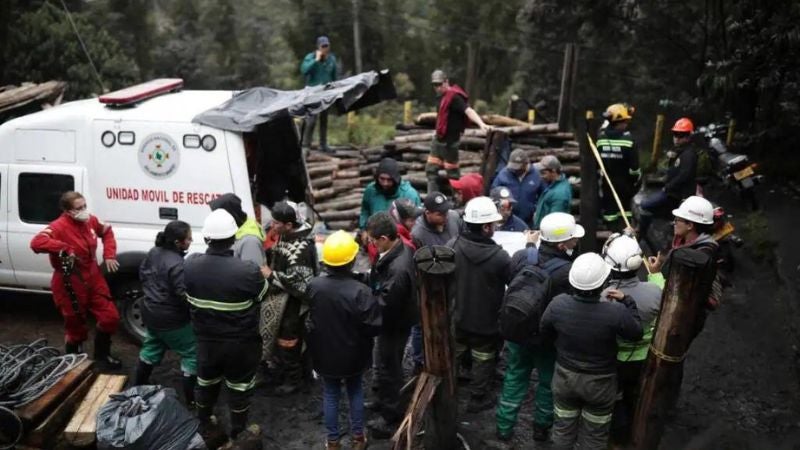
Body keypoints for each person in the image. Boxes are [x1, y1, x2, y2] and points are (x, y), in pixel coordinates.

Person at [496, 212, 584, 443]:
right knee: (547, 382)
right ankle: (541, 428)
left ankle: (504, 427)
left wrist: (529, 246)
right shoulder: (568, 272)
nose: (576, 242)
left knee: (514, 377)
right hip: (546, 339)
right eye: (573, 239)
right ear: (562, 245)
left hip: (517, 331)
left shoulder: (521, 256)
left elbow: (513, 283)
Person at [540, 253, 643, 450]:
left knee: (562, 429)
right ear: (603, 282)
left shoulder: (558, 304)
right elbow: (636, 333)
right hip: (600, 384)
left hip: (565, 378)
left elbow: (544, 332)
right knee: (595, 436)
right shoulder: (615, 312)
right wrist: (627, 300)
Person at [185, 209, 269, 444]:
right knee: (240, 388)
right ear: (234, 238)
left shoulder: (190, 265)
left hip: (206, 342)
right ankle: (238, 432)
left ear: (206, 238)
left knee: (206, 382)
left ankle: (205, 424)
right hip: (240, 345)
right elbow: (262, 295)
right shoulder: (248, 271)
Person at [30, 191, 122, 369]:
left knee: (110, 317)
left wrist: (109, 254)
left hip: (93, 276)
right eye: (79, 208)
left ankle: (102, 355)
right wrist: (64, 248)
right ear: (67, 211)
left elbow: (107, 232)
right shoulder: (58, 227)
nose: (84, 210)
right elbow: (36, 243)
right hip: (69, 279)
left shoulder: (90, 221)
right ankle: (74, 360)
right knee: (75, 323)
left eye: (84, 206)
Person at [307, 230, 381, 450]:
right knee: (355, 391)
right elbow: (374, 326)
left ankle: (333, 442)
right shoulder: (361, 291)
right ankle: (358, 438)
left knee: (330, 394)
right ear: (352, 261)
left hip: (325, 353)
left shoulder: (314, 286)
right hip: (354, 355)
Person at [448, 196, 511, 413]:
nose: (494, 227)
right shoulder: (500, 257)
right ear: (485, 227)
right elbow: (512, 282)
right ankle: (477, 398)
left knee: (455, 353)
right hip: (486, 324)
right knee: (484, 358)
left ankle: (448, 391)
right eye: (493, 224)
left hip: (458, 318)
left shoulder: (452, 246)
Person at [600, 233, 662, 446]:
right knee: (636, 397)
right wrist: (655, 274)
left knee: (616, 400)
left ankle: (618, 439)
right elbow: (664, 292)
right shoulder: (655, 291)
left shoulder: (604, 297)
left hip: (614, 361)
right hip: (645, 359)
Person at [364, 212, 419, 439]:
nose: (370, 244)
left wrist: (364, 309)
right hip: (393, 320)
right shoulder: (395, 251)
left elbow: (386, 305)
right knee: (383, 362)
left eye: (372, 240)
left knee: (390, 367)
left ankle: (391, 415)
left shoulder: (398, 269)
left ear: (384, 238)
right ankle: (381, 399)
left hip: (394, 324)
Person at [134, 221, 197, 406]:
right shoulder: (177, 264)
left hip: (150, 313)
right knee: (193, 353)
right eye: (188, 238)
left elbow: (143, 275)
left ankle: (137, 387)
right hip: (172, 319)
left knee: (152, 347)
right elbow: (183, 294)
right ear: (178, 242)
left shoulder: (153, 252)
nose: (191, 240)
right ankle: (192, 401)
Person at [260, 201, 318, 395]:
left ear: (289, 225)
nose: (272, 225)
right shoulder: (286, 236)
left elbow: (301, 282)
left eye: (276, 223)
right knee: (287, 337)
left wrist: (271, 275)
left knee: (289, 339)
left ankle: (294, 380)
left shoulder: (300, 247)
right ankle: (294, 374)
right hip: (284, 298)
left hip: (294, 303)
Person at [647, 195, 722, 329]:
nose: (674, 222)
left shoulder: (693, 259)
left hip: (681, 319)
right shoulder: (684, 241)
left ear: (690, 225)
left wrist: (655, 273)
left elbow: (673, 294)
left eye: (678, 219)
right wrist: (662, 262)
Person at [426, 69, 491, 193]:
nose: (438, 88)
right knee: (431, 170)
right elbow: (441, 117)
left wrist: (481, 124)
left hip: (450, 143)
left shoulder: (454, 97)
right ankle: (431, 198)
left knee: (453, 174)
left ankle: (457, 198)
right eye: (435, 85)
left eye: (440, 84)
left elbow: (468, 110)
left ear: (446, 82)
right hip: (438, 140)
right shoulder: (440, 98)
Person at [639, 117, 699, 236]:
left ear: (688, 137)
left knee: (645, 205)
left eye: (681, 135)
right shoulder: (680, 151)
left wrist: (668, 187)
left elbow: (684, 175)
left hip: (675, 194)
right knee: (648, 204)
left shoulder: (689, 154)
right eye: (675, 134)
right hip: (671, 191)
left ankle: (642, 233)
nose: (677, 138)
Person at [597, 104, 640, 228]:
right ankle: (625, 231)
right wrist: (636, 181)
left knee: (610, 212)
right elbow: (634, 169)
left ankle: (609, 232)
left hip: (607, 184)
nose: (626, 124)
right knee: (625, 211)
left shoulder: (600, 139)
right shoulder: (629, 140)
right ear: (619, 122)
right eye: (625, 121)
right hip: (625, 185)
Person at [359, 157, 421, 230]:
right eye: (382, 179)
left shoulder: (409, 194)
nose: (385, 183)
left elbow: (416, 221)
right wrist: (364, 229)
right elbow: (365, 211)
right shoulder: (371, 190)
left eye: (389, 180)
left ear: (396, 179)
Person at [300, 35, 338, 152]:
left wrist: (335, 91)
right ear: (318, 47)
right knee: (311, 120)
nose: (325, 48)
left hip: (326, 92)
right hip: (313, 93)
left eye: (327, 45)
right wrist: (316, 60)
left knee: (324, 119)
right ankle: (305, 145)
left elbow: (334, 76)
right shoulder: (310, 57)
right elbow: (304, 70)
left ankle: (323, 144)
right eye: (323, 46)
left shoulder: (331, 59)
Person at [209, 193, 265, 267]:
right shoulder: (235, 229)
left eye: (218, 215)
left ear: (230, 214)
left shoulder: (249, 241)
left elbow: (252, 272)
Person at [491, 148, 544, 225]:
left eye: (518, 167)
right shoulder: (503, 174)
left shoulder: (536, 175)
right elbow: (494, 192)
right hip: (507, 219)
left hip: (529, 220)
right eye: (513, 167)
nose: (515, 170)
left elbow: (543, 195)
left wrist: (536, 209)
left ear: (526, 164)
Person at [366, 199, 419, 263]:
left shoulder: (404, 237)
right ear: (400, 220)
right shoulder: (379, 243)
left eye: (416, 219)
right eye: (411, 220)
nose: (415, 222)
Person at [533, 155, 573, 229]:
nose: (541, 176)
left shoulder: (559, 194)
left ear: (553, 171)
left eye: (543, 173)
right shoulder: (554, 185)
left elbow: (554, 223)